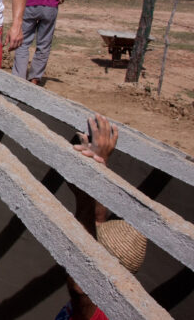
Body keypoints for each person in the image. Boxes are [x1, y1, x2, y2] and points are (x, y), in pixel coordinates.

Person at [57, 113, 147, 320]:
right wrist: (100, 164)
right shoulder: (114, 293)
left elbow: (79, 286)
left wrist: (82, 199)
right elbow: (98, 218)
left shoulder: (93, 309)